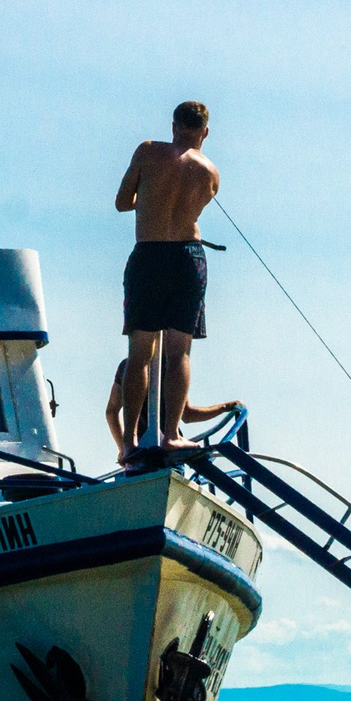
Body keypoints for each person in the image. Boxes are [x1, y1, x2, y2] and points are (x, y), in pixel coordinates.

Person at [114, 100, 221, 456]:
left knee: (140, 352)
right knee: (179, 353)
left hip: (149, 254)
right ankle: (172, 432)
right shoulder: (210, 173)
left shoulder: (147, 152)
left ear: (173, 126)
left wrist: (148, 200)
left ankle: (130, 440)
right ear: (205, 132)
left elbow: (121, 201)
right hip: (188, 258)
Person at [105, 360, 239, 457]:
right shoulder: (172, 368)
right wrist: (224, 407)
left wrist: (124, 449)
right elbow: (187, 414)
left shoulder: (128, 367)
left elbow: (111, 412)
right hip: (169, 453)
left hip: (138, 452)